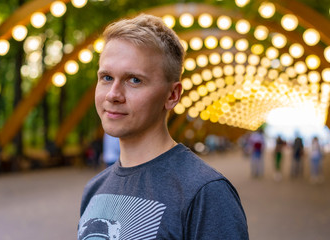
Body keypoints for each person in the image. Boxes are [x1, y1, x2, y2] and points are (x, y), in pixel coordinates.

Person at [78, 14, 248, 240]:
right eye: (107, 77)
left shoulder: (204, 192)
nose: (113, 95)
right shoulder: (94, 190)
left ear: (172, 95)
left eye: (134, 80)